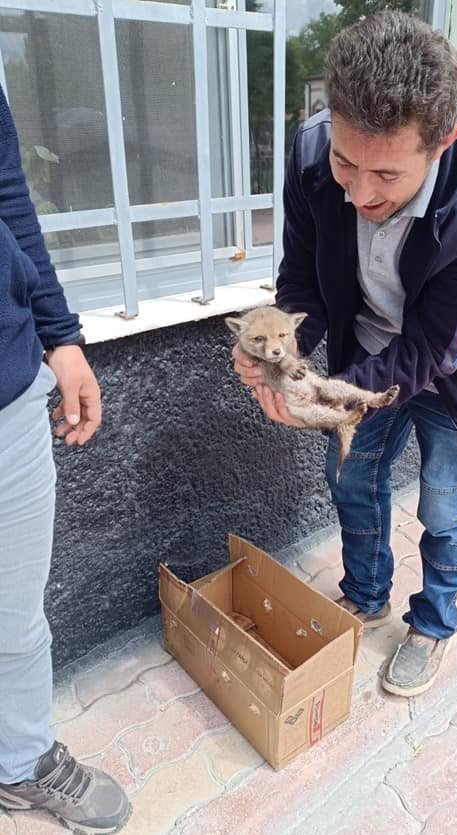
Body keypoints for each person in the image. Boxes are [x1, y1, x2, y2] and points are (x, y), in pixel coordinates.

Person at [233, 11, 457, 697]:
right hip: (362, 357)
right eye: (346, 161)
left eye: (387, 175)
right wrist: (283, 359)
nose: (359, 193)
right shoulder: (312, 153)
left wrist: (320, 397)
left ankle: (431, 620)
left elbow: (431, 347)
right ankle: (365, 596)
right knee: (352, 481)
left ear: (443, 142)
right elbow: (302, 281)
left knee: (447, 507)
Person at [0, 86, 130, 830]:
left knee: (16, 616)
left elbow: (7, 192)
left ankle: (19, 764)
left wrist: (61, 336)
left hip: (10, 393)